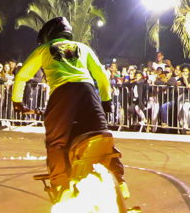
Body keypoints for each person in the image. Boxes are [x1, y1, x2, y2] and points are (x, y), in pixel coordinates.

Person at [11, 17, 123, 198]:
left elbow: (22, 76)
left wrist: (17, 102)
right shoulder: (82, 48)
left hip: (62, 94)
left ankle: (61, 187)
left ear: (49, 35)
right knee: (102, 136)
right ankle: (119, 180)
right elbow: (102, 75)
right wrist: (105, 101)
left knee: (56, 142)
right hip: (87, 92)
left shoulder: (44, 49)